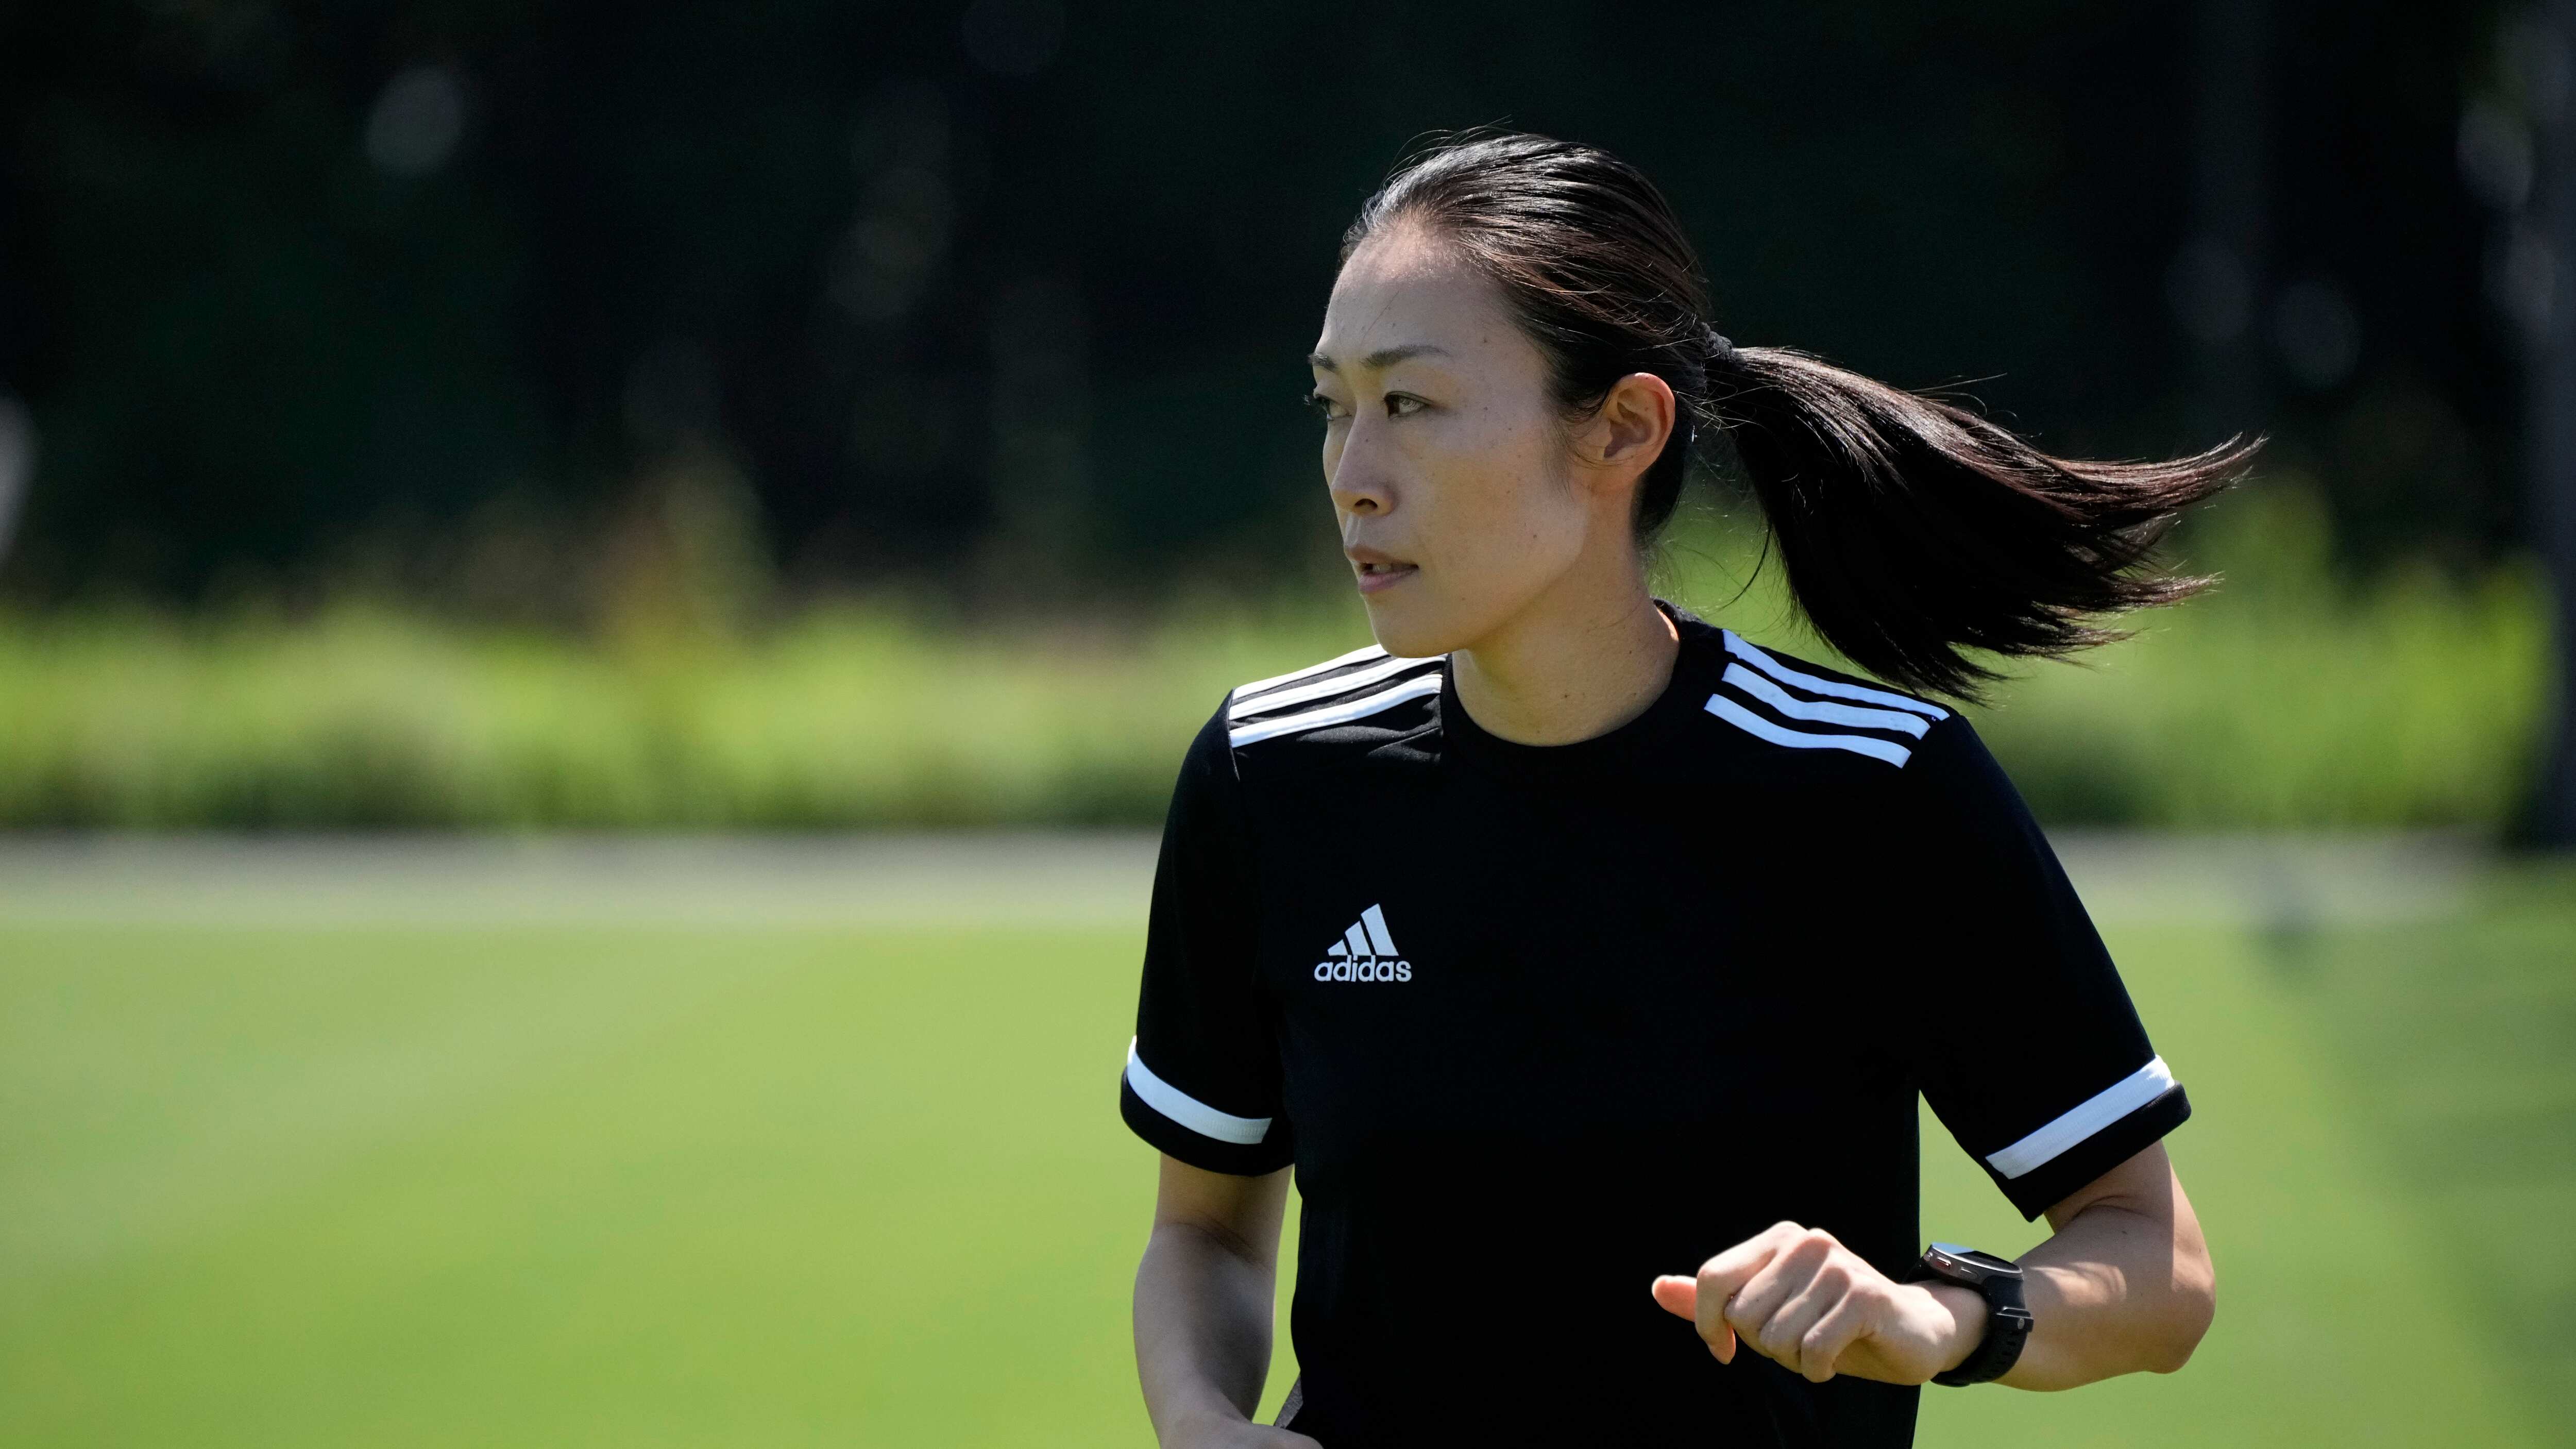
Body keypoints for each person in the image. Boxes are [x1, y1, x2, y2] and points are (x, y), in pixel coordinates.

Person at [1118, 130, 2240, 1448]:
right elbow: (1205, 1232)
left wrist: (1938, 1312)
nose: (1353, 472)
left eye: (1409, 404)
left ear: (1622, 428)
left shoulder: (1874, 791)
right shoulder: (1270, 774)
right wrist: (1200, 1422)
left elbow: (2158, 1269)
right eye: (1334, 405)